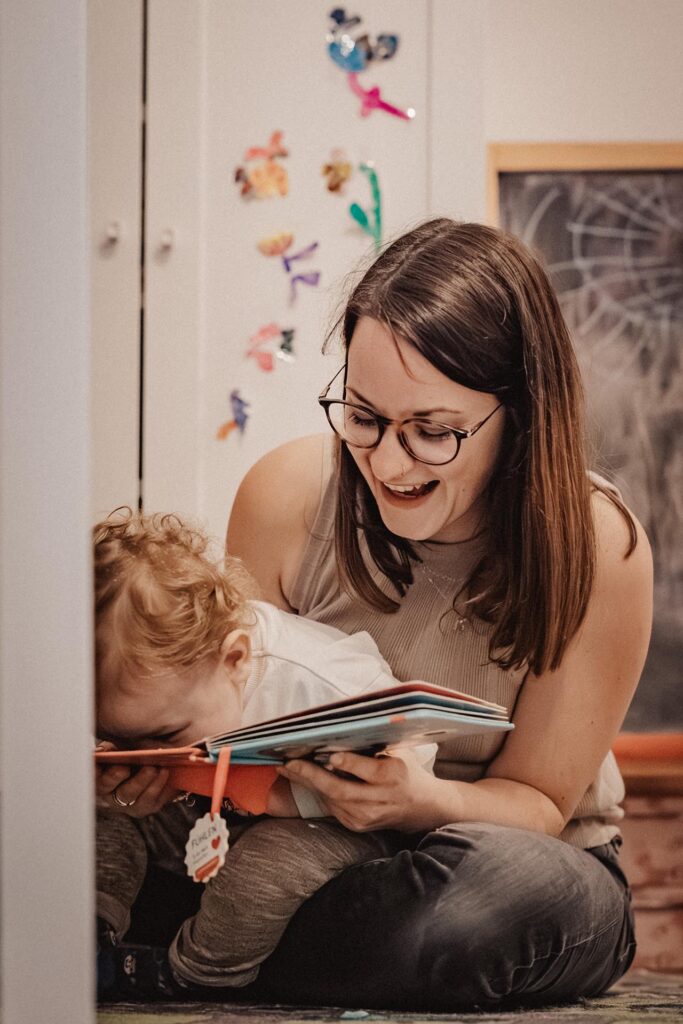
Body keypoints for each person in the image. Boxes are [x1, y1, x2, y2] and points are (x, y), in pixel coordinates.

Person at [217, 219, 652, 1010]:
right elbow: (234, 731)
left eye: (434, 432)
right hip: (310, 846)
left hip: (521, 855)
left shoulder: (596, 542)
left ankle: (222, 954)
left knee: (478, 902)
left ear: (519, 413)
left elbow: (541, 805)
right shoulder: (283, 495)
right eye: (363, 416)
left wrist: (417, 803)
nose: (387, 461)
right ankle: (233, 945)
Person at [94, 508, 437, 998]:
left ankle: (194, 975)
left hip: (326, 831)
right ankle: (85, 933)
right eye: (119, 738)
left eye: (165, 735)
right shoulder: (161, 694)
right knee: (96, 816)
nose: (144, 753)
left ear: (233, 659)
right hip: (204, 818)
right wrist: (116, 786)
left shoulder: (319, 681)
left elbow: (409, 765)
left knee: (265, 861)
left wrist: (284, 798)